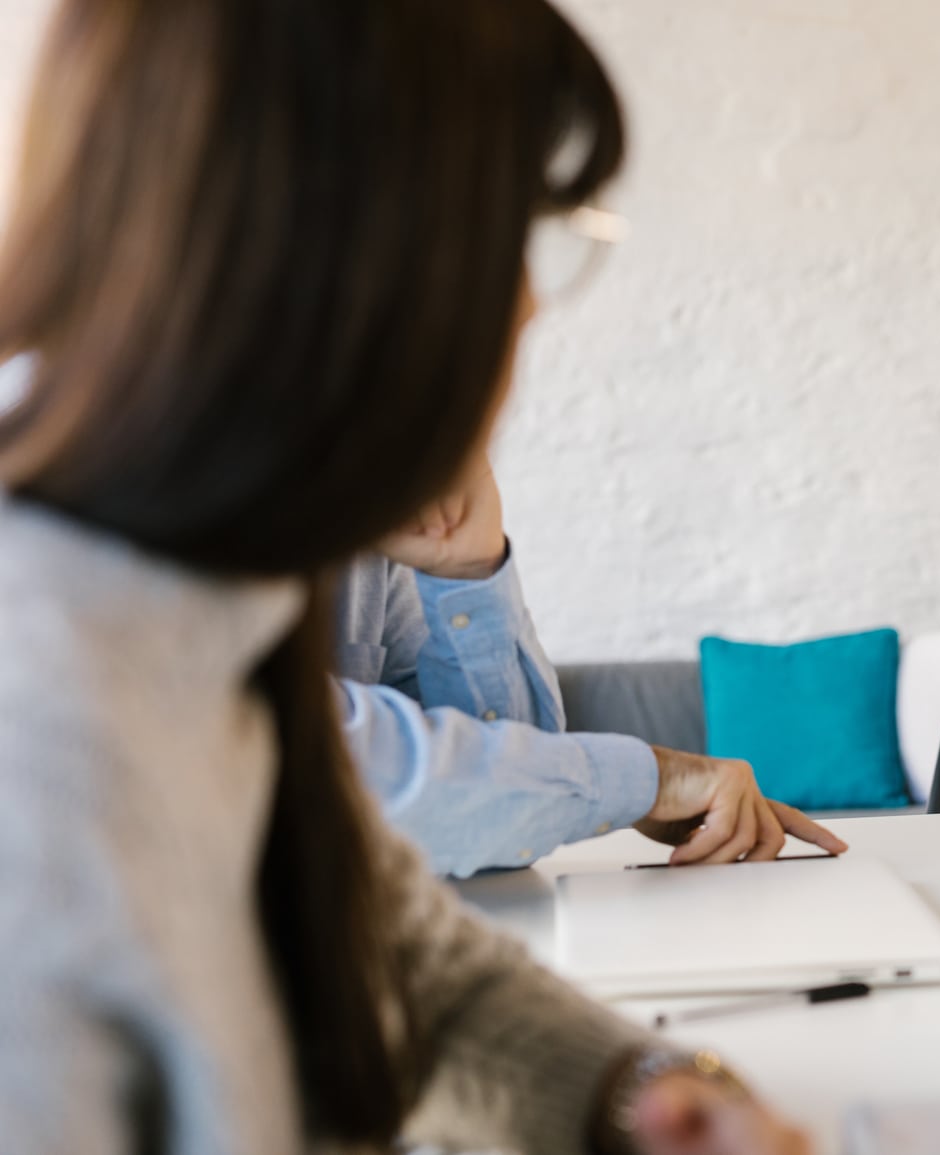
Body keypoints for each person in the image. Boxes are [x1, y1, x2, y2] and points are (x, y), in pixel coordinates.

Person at [0, 1, 808, 1152]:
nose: (529, 310)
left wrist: (635, 1096)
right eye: (523, 240)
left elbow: (385, 940)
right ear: (357, 264)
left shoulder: (217, 594)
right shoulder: (42, 733)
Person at [337, 453, 846, 878]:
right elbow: (335, 774)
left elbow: (501, 802)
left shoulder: (369, 545)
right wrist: (650, 783)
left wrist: (469, 570)